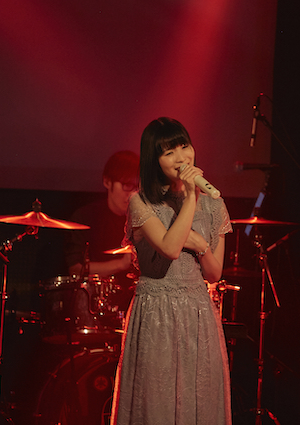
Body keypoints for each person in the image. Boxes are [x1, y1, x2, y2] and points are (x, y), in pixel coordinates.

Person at [110, 117, 233, 424]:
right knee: (156, 402)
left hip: (198, 313)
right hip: (157, 311)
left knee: (199, 399)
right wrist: (190, 197)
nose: (181, 158)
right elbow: (170, 248)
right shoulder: (141, 203)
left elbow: (214, 274)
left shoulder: (214, 205)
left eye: (184, 147)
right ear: (155, 160)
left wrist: (201, 245)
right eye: (169, 152)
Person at [63, 150, 140, 278]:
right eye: (127, 185)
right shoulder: (85, 217)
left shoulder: (144, 220)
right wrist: (122, 264)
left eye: (137, 187)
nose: (133, 193)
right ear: (107, 182)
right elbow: (75, 269)